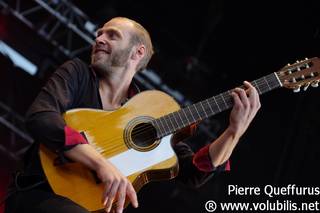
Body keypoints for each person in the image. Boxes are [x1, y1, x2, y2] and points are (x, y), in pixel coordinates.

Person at [4, 17, 260, 213]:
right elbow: (41, 117)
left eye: (112, 35)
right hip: (36, 192)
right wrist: (102, 165)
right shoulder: (78, 73)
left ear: (137, 53)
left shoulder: (147, 109)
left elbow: (194, 171)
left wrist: (233, 132)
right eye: (99, 33)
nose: (100, 39)